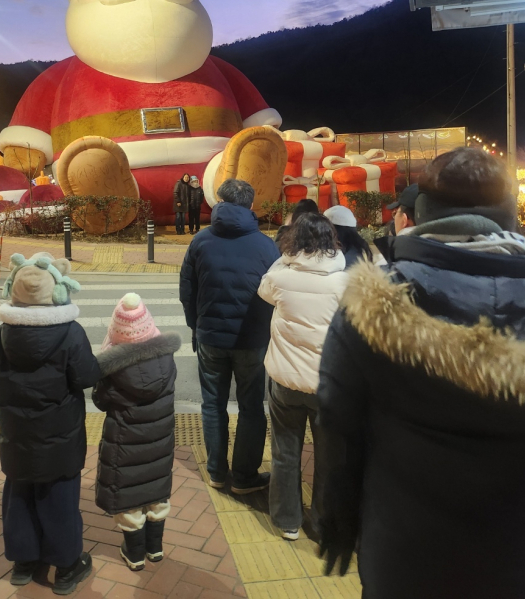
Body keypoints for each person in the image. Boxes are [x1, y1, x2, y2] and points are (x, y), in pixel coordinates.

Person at [317, 148, 525, 599]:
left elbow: (337, 423)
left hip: (404, 555)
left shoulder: (373, 306)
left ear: (419, 213)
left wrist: (338, 517)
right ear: (510, 216)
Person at [0, 252, 100, 595]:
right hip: (60, 436)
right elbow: (87, 376)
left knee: (19, 493)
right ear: (56, 293)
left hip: (16, 435)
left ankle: (23, 563)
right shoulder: (70, 333)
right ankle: (66, 569)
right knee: (59, 498)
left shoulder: (3, 334)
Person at [180, 178, 279, 493]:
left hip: (211, 337)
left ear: (219, 203)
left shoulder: (200, 241)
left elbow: (187, 291)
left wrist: (196, 326)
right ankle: (245, 477)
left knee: (213, 404)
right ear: (250, 206)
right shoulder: (266, 245)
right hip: (252, 340)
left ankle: (216, 472)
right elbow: (276, 294)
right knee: (252, 406)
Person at [259, 213, 347, 541]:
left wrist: (286, 257)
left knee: (285, 452)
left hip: (285, 381)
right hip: (327, 384)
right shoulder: (344, 282)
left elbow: (264, 289)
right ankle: (322, 525)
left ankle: (287, 521)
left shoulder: (281, 278)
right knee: (327, 457)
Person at [93, 294, 181, 572]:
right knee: (155, 489)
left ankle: (134, 554)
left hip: (125, 444)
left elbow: (101, 400)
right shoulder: (166, 359)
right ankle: (155, 548)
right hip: (160, 441)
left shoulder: (114, 369)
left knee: (129, 497)